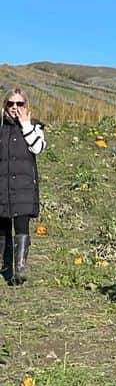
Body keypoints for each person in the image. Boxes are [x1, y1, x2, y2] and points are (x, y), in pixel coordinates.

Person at [0, 87, 46, 285]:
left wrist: (26, 124)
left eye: (19, 104)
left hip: (24, 187)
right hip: (2, 184)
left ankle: (19, 269)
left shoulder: (34, 127)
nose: (15, 108)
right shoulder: (1, 128)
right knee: (2, 226)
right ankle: (3, 265)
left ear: (26, 106)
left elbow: (38, 147)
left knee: (21, 225)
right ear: (5, 106)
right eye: (11, 104)